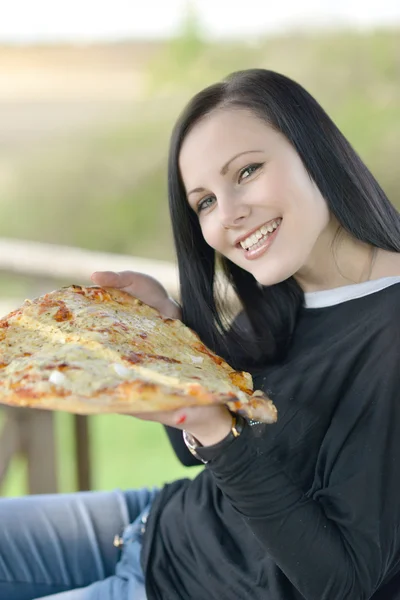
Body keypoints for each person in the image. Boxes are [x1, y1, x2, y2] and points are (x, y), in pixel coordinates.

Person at [1, 68, 400, 600]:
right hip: (154, 523)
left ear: (315, 151)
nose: (229, 215)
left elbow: (344, 582)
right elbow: (199, 454)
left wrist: (215, 429)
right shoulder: (278, 297)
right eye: (204, 202)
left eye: (248, 171)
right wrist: (170, 336)